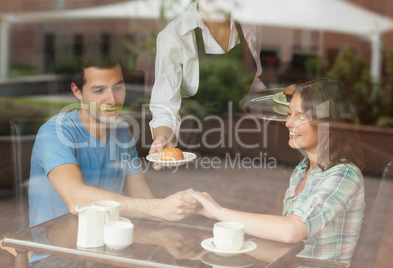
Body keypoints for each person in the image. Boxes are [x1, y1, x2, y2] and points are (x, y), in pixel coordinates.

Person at [28, 47, 197, 263]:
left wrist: (179, 208)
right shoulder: (55, 132)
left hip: (108, 249)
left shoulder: (122, 132)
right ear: (77, 91)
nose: (112, 99)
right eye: (99, 91)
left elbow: (142, 199)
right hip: (58, 256)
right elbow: (77, 199)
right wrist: (159, 209)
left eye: (118, 88)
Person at [191, 77, 365, 263]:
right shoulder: (302, 169)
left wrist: (219, 212)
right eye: (290, 114)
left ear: (327, 123)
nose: (288, 123)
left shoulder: (344, 174)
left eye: (300, 116)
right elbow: (285, 242)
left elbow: (290, 231)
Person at [149, 0, 266, 156]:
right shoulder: (174, 36)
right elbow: (165, 107)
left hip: (248, 145)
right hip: (198, 154)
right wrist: (162, 138)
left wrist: (277, 108)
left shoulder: (250, 25)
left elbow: (253, 82)